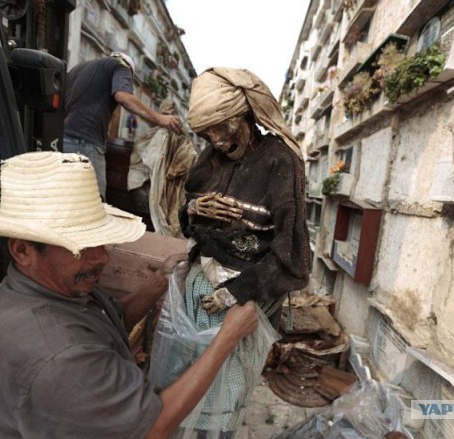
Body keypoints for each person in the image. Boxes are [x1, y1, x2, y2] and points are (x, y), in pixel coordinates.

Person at [0, 151, 258, 439]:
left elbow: (109, 319)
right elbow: (156, 427)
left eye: (101, 241)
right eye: (81, 247)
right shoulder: (60, 355)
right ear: (23, 250)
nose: (102, 258)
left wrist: (158, 283)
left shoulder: (48, 290)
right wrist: (226, 338)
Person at [154, 67, 311, 436]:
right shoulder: (209, 157)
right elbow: (187, 224)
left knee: (223, 394)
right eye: (206, 133)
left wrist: (234, 293)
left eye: (222, 127)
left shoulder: (280, 161)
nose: (216, 140)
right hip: (197, 293)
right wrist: (193, 209)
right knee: (185, 382)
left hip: (241, 303)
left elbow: (294, 260)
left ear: (244, 116)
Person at [63, 52, 181, 198]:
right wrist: (159, 118)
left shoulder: (79, 68)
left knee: (65, 199)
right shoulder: (121, 66)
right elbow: (123, 96)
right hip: (85, 143)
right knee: (95, 204)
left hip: (62, 139)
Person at [128, 99, 197, 238]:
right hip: (152, 188)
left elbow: (186, 160)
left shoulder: (179, 137)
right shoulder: (152, 136)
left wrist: (171, 172)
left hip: (170, 188)